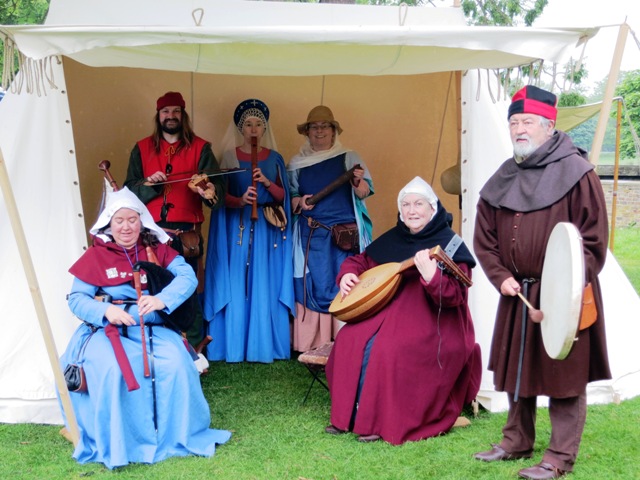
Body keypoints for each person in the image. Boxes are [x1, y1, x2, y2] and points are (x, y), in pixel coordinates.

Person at [473, 85, 610, 479]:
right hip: (516, 292)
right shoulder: (503, 176)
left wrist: (561, 286)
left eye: (527, 122)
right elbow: (484, 238)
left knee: (565, 375)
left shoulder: (577, 172)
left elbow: (594, 241)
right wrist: (500, 277)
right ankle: (516, 439)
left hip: (565, 296)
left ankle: (559, 457)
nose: (519, 129)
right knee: (519, 369)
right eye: (514, 121)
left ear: (548, 126)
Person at [58, 187, 231, 470]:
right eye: (119, 221)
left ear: (142, 222)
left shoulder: (158, 250)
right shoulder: (96, 257)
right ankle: (119, 439)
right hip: (106, 332)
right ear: (109, 224)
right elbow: (77, 299)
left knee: (175, 365)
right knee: (113, 372)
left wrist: (162, 299)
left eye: (132, 220)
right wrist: (107, 311)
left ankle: (173, 435)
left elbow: (186, 276)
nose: (126, 227)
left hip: (154, 326)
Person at [324, 176, 481, 444]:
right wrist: (347, 275)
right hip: (386, 310)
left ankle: (376, 421)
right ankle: (348, 417)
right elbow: (359, 262)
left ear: (432, 208)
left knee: (389, 348)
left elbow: (456, 297)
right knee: (350, 338)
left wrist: (433, 276)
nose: (411, 211)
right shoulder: (394, 238)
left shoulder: (451, 245)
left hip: (435, 321)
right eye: (405, 205)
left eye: (418, 204)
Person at [124, 91, 225, 349]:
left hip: (185, 235)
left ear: (183, 115)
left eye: (176, 111)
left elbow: (217, 192)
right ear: (158, 115)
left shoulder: (202, 148)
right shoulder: (142, 148)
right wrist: (149, 184)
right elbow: (128, 191)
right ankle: (155, 345)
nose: (171, 116)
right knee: (150, 289)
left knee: (188, 289)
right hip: (150, 233)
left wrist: (207, 191)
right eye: (166, 111)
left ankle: (191, 348)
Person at [203, 98, 294, 363]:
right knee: (234, 279)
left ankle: (261, 345)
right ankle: (232, 345)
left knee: (262, 280)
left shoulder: (275, 158)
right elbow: (222, 198)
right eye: (248, 125)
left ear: (264, 129)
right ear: (241, 129)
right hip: (236, 226)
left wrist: (265, 181)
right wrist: (241, 200)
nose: (253, 129)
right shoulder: (229, 157)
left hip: (265, 228)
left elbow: (282, 197)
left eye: (258, 125)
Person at [287, 105, 374, 353]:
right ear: (307, 132)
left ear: (334, 131)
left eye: (325, 126)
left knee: (346, 280)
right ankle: (313, 342)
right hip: (311, 232)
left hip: (345, 235)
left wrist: (357, 181)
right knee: (314, 281)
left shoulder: (349, 157)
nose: (320, 131)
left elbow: (364, 191)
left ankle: (347, 339)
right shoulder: (297, 162)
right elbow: (291, 196)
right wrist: (299, 202)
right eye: (314, 127)